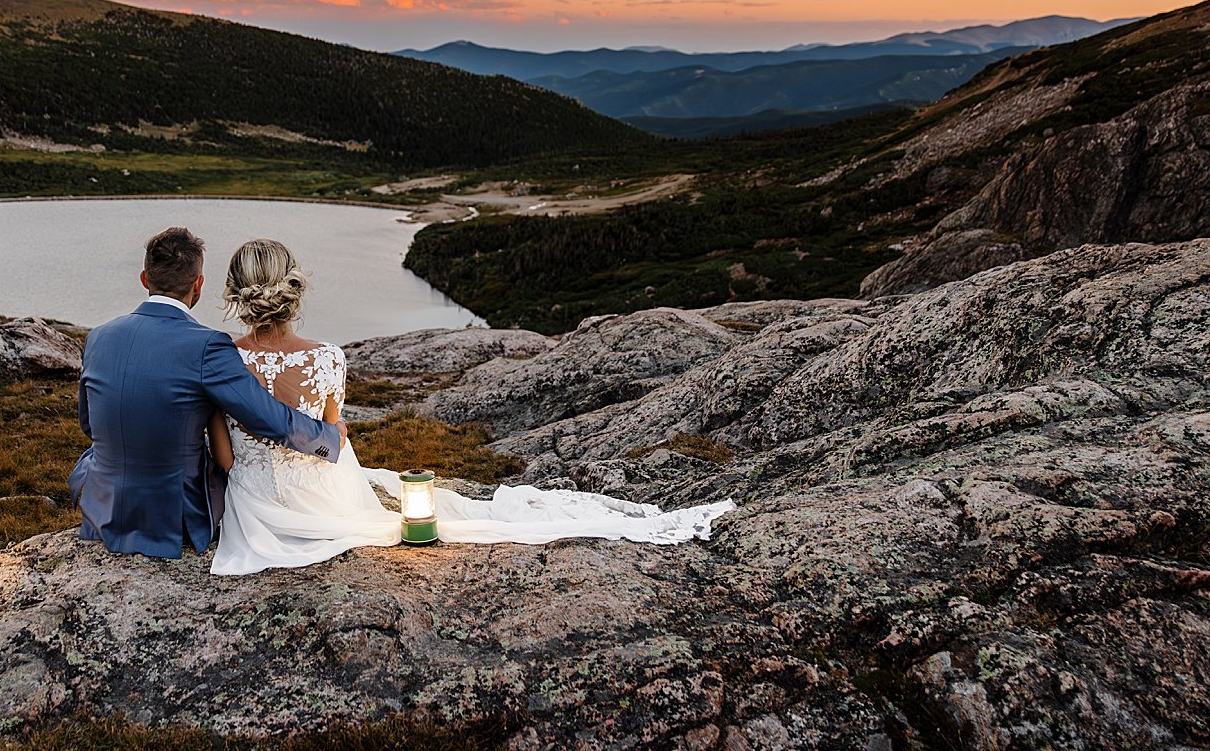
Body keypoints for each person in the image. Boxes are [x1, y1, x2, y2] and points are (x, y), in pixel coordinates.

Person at [209, 238, 734, 576]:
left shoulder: (220, 360)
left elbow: (227, 460)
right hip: (323, 492)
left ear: (237, 295)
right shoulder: (327, 358)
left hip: (256, 511)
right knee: (352, 454)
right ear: (293, 289)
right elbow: (328, 436)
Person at [67, 227, 345, 559]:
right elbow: (270, 419)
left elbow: (89, 425)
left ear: (145, 278)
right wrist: (329, 436)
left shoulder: (99, 336)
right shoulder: (206, 345)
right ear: (198, 284)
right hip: (174, 517)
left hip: (102, 502)